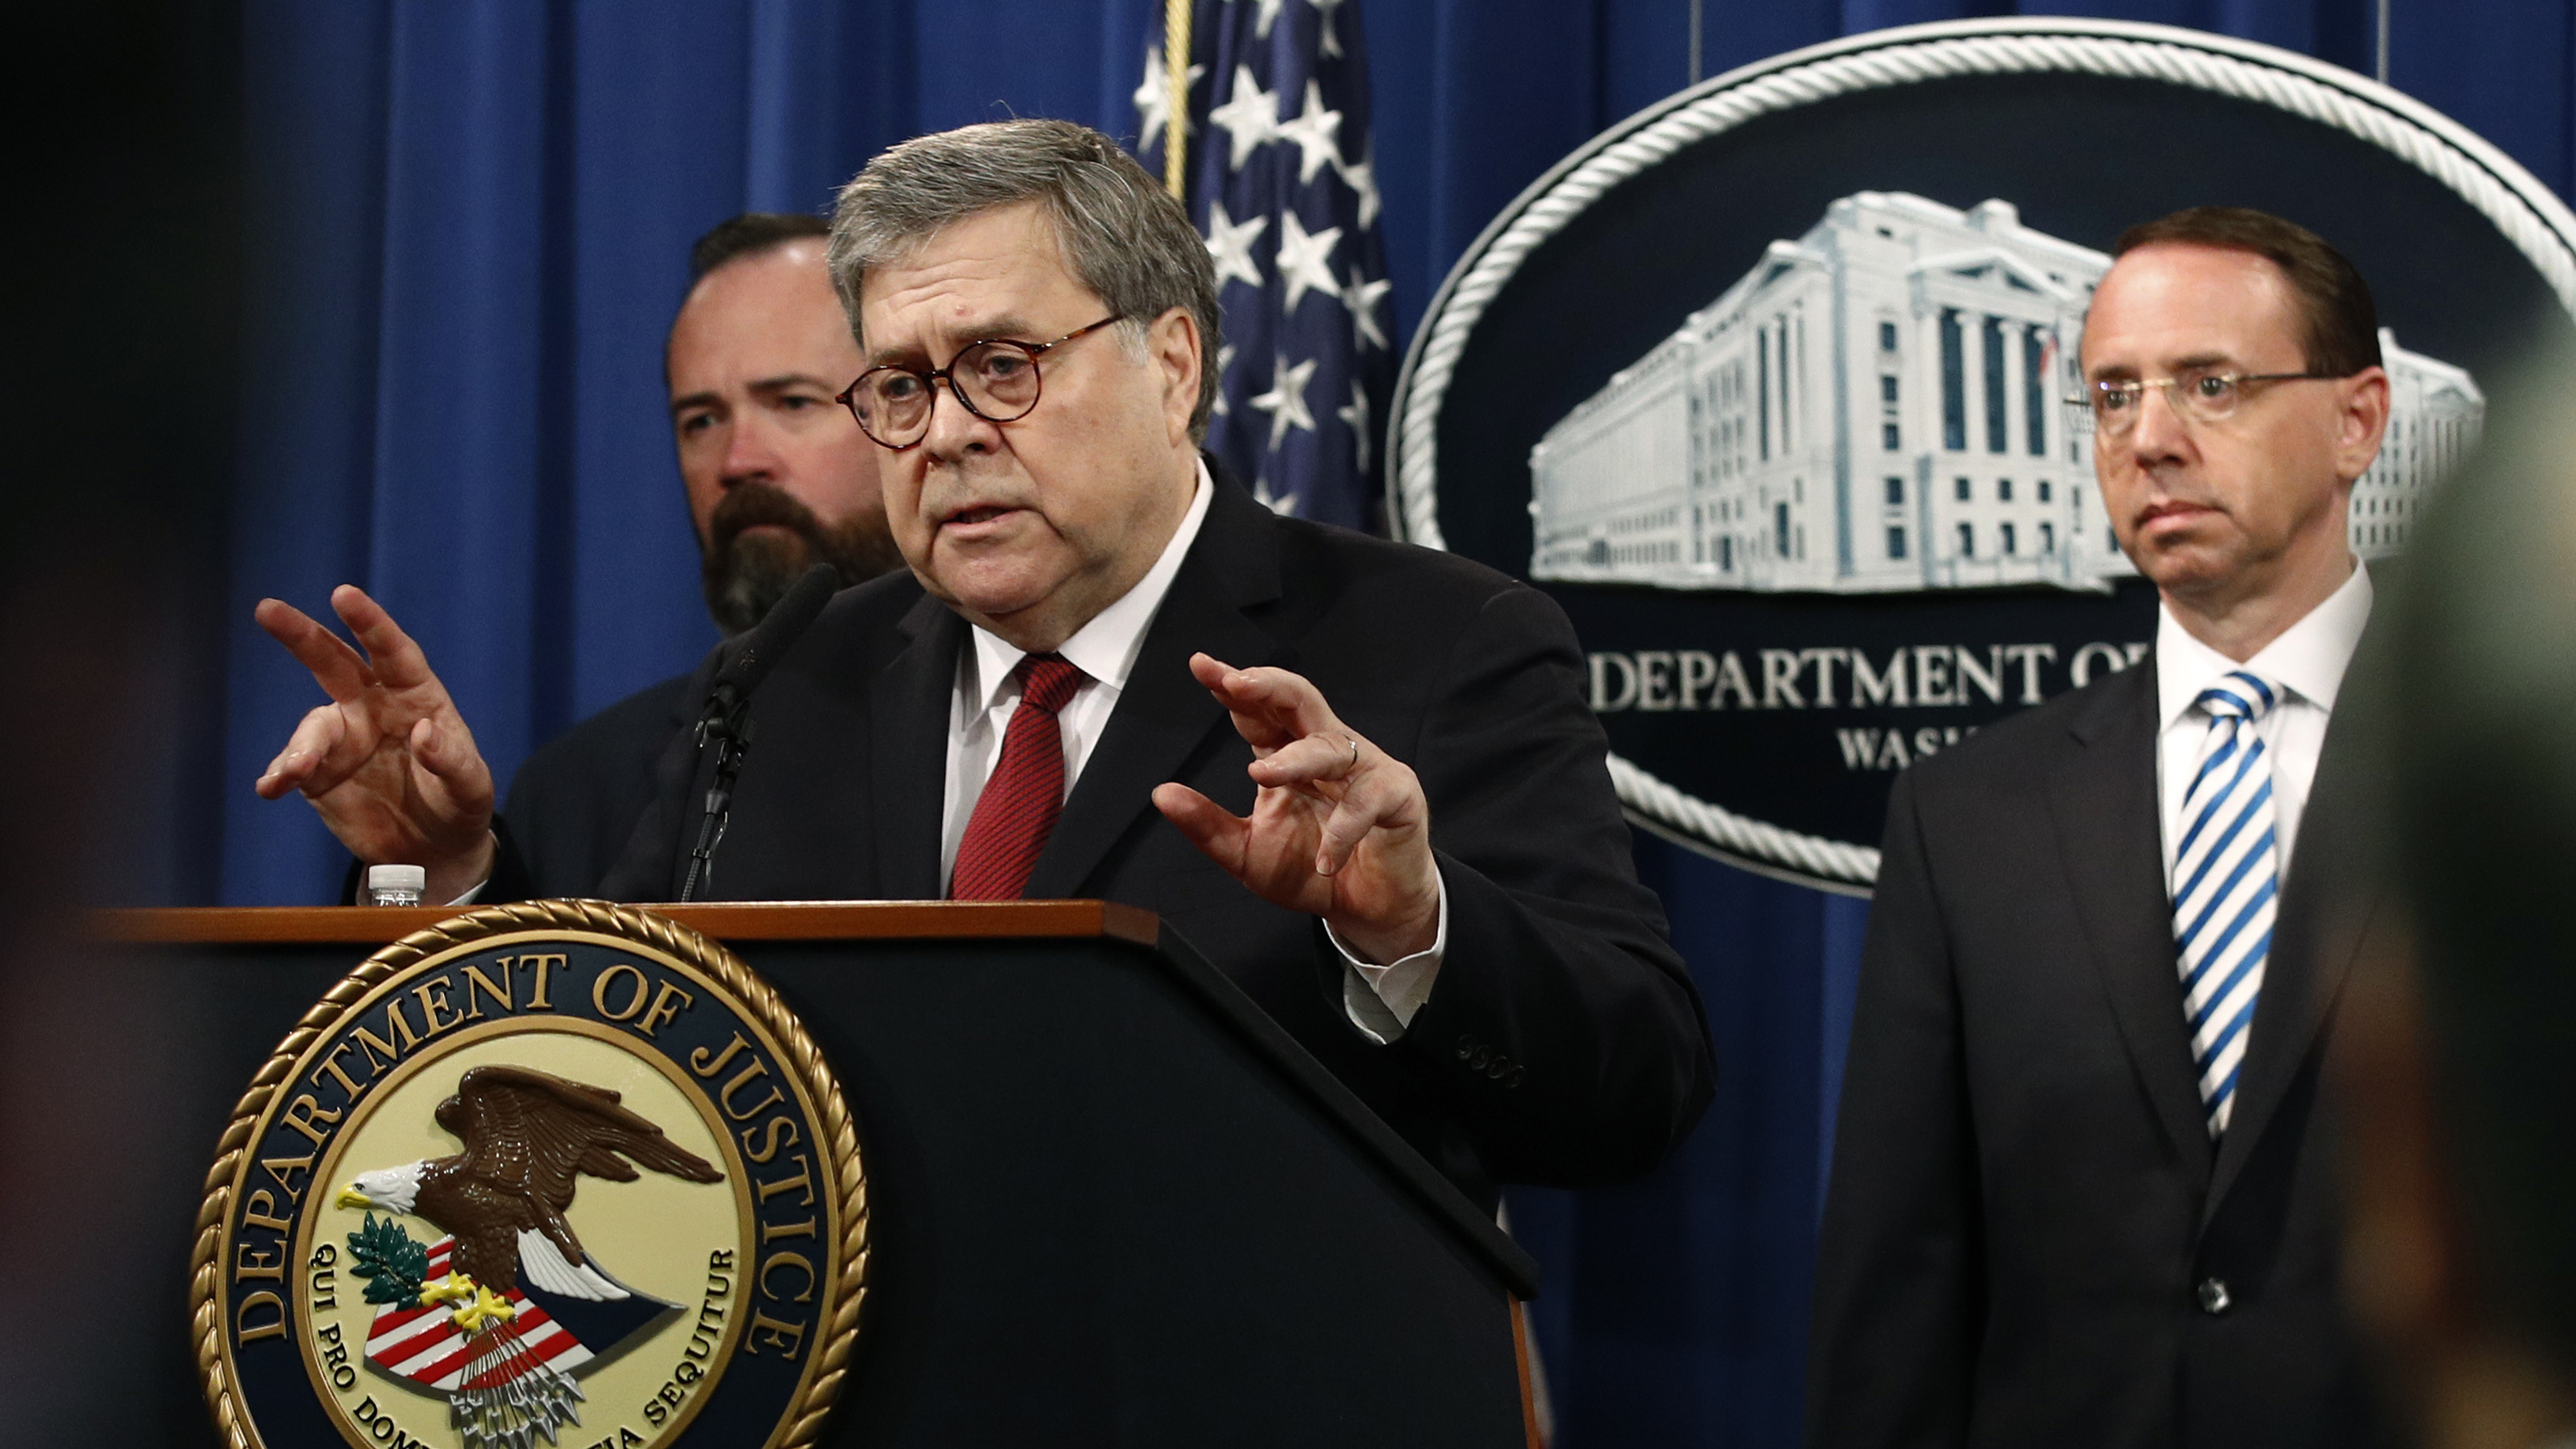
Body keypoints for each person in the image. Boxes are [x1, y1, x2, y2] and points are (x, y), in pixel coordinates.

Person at [252, 119, 1713, 1205]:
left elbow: (1637, 1089)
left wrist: (1408, 926)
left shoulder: (1428, 646)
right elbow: (618, 1051)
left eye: (1003, 367)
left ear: (1173, 363)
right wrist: (444, 875)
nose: (946, 433)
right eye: (897, 387)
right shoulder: (787, 674)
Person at [1807, 208, 2402, 1447]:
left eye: (2211, 385)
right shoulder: (1969, 816)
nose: (2150, 439)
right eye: (2111, 393)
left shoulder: (2517, 778)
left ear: (2358, 421)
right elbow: (1900, 1276)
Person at [256, 212, 901, 898]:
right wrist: (443, 869)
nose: (737, 463)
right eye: (702, 420)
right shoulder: (583, 789)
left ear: (902, 409)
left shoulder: (1013, 744)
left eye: (792, 401)